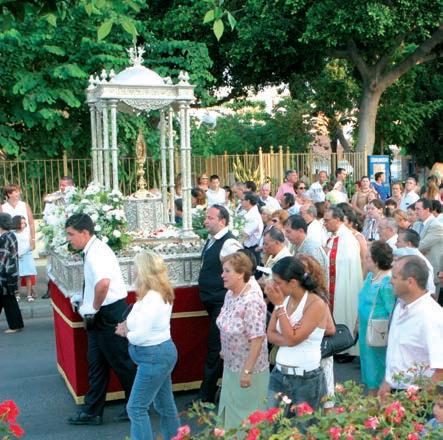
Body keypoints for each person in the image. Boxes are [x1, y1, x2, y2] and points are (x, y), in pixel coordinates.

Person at [66, 213, 136, 426]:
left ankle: (136, 406)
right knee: (96, 363)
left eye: (71, 234)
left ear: (85, 233)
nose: (69, 239)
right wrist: (85, 299)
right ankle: (92, 411)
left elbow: (104, 284)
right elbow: (97, 283)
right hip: (101, 314)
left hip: (108, 313)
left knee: (122, 362)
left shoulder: (97, 252)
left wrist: (93, 309)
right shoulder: (92, 250)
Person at [115, 252, 180, 440]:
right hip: (159, 354)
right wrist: (128, 325)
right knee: (164, 405)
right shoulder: (156, 293)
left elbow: (141, 336)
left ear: (144, 270)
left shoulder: (152, 297)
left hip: (153, 356)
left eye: (135, 267)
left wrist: (126, 332)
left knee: (135, 408)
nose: (133, 271)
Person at [265, 256, 328, 410]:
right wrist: (290, 338)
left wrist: (280, 307)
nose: (273, 286)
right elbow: (270, 334)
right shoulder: (284, 299)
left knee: (303, 424)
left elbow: (293, 339)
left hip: (306, 377)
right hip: (279, 373)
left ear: (292, 283)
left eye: (277, 282)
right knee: (270, 421)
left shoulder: (316, 303)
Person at [378, 256, 443, 400]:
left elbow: (440, 370)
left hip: (416, 397)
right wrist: (387, 381)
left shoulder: (431, 316)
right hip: (396, 392)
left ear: (410, 282)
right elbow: (398, 350)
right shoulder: (400, 306)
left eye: (395, 277)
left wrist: (416, 402)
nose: (390, 281)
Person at [216, 252, 269, 429]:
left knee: (247, 421)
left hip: (250, 371)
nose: (222, 275)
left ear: (240, 273)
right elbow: (225, 323)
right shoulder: (230, 295)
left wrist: (247, 371)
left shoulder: (251, 301)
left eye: (227, 271)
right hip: (231, 366)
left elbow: (257, 339)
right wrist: (224, 348)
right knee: (231, 413)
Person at [197, 205, 242, 403]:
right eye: (206, 217)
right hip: (213, 300)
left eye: (210, 218)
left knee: (214, 348)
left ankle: (206, 396)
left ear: (222, 221)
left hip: (222, 302)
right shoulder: (212, 240)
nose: (206, 221)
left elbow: (241, 271)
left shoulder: (229, 243)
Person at [356, 241, 395, 395]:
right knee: (368, 365)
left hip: (378, 333)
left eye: (368, 257)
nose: (364, 260)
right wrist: (357, 321)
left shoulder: (387, 282)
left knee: (376, 368)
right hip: (365, 329)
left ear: (376, 261)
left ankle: (376, 401)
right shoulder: (371, 276)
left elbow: (392, 311)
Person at [323, 207, 363, 359]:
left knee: (343, 311)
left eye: (327, 220)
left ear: (337, 220)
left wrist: (326, 254)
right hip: (333, 282)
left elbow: (344, 261)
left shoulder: (348, 239)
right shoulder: (333, 236)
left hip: (343, 284)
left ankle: (345, 347)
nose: (324, 223)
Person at [297, 254, 336, 410]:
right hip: (303, 353)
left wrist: (305, 330)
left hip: (319, 353)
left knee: (326, 398)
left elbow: (330, 328)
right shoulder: (294, 296)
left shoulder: (317, 297)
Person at [1, 184, 37, 300]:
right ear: (9, 194)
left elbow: (31, 223)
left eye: (18, 191)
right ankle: (14, 292)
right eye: (15, 192)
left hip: (25, 241)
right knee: (13, 268)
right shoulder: (3, 207)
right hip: (10, 242)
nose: (18, 193)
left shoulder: (24, 205)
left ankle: (30, 291)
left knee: (28, 268)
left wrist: (33, 239)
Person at [0, 213, 24, 334]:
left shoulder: (4, 238)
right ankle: (16, 324)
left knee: (8, 299)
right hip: (11, 272)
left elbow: (3, 258)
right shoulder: (11, 235)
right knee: (8, 299)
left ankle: (15, 325)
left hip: (4, 274)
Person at [395, 228, 435, 296]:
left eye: (398, 241)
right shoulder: (407, 256)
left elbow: (429, 289)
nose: (395, 244)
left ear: (408, 244)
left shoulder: (419, 262)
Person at [11, 216, 38, 301]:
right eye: (21, 223)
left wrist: (28, 249)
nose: (23, 224)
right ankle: (17, 294)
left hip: (26, 256)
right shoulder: (13, 234)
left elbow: (31, 246)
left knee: (28, 276)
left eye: (24, 223)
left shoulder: (27, 232)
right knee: (17, 277)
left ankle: (29, 295)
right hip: (17, 257)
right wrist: (16, 254)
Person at [240, 192, 264, 264]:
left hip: (251, 250)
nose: (240, 202)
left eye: (242, 200)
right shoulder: (246, 212)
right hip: (246, 248)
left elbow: (245, 235)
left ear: (248, 201)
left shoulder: (254, 216)